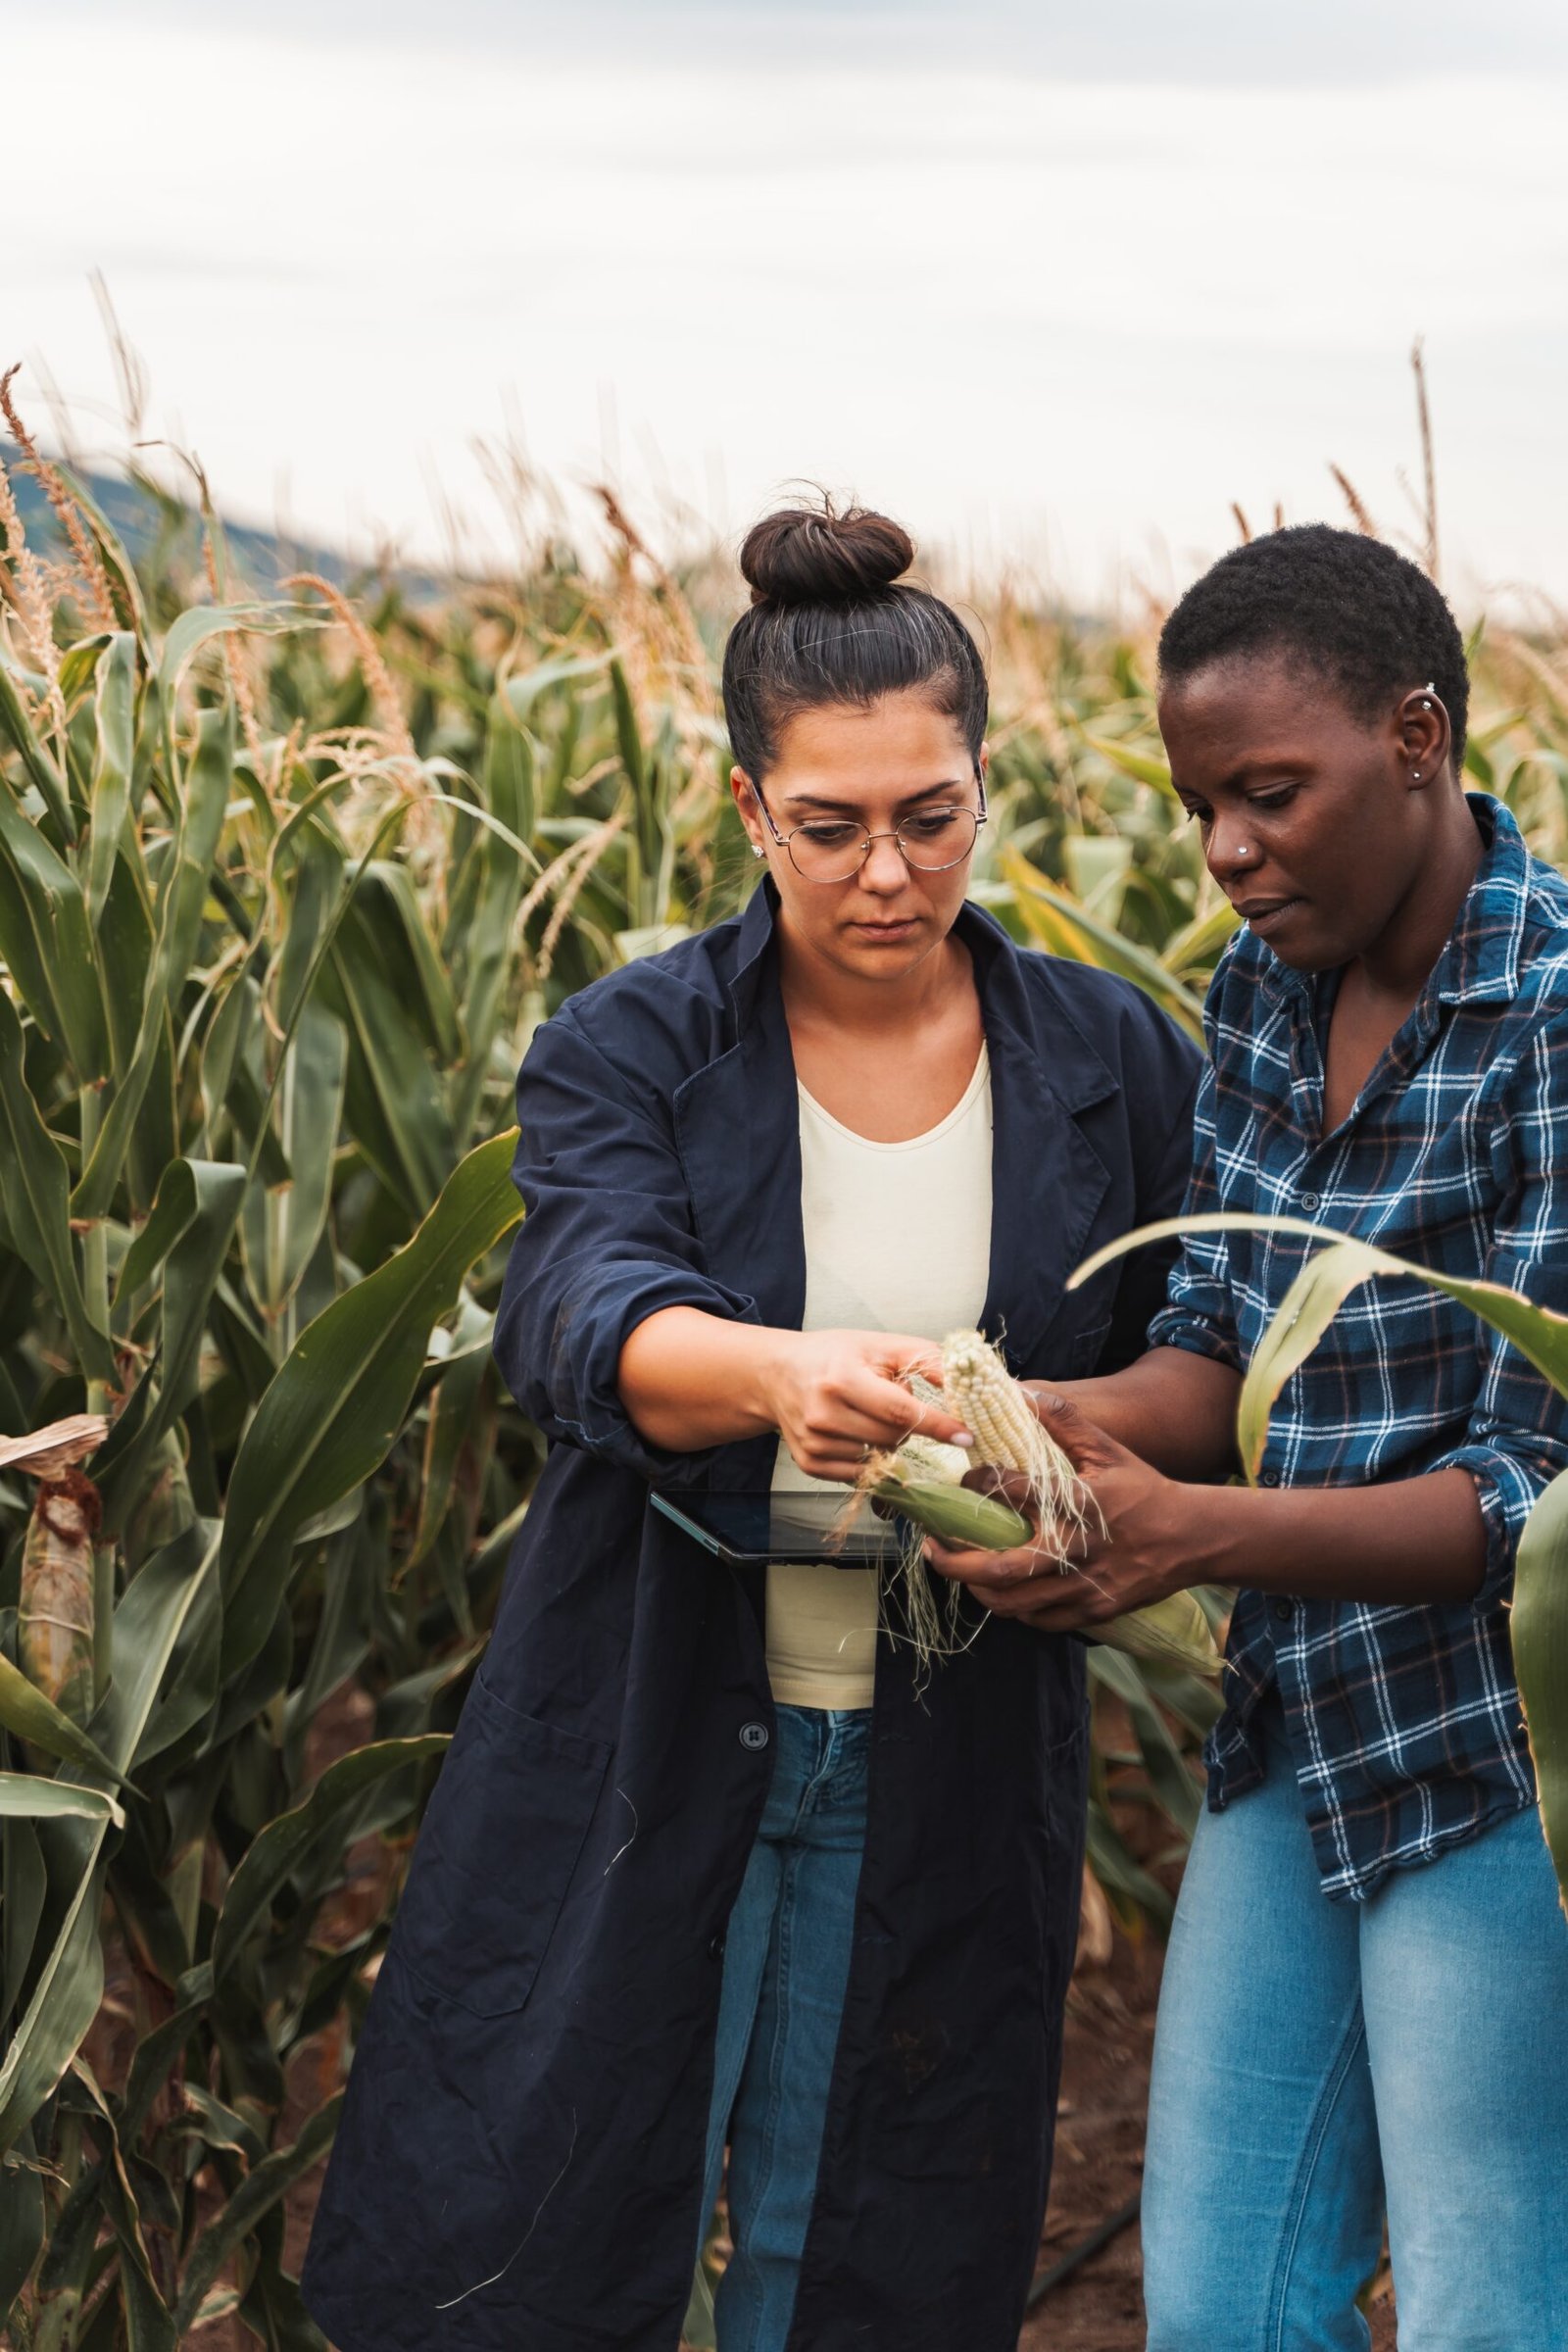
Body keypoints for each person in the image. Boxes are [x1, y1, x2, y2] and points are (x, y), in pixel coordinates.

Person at [302, 500, 1199, 2352]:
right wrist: (784, 1372)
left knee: (872, 2248)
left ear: (984, 786)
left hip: (948, 1751)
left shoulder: (1111, 1058)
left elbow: (1207, 1356)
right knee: (558, 2228)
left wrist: (1048, 1446)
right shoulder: (635, 1041)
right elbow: (576, 1308)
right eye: (832, 826)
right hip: (657, 1720)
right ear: (743, 813)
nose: (889, 871)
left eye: (931, 816)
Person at [926, 524, 1568, 2351]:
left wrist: (1185, 1539)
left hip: (1503, 1754)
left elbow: (1533, 1506)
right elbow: (1219, 1347)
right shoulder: (1267, 998)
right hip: (1302, 1723)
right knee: (1220, 2296)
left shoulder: (1553, 1020)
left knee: (1486, 2306)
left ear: (1420, 735)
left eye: (1271, 794)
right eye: (1203, 803)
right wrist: (1049, 1434)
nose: (1225, 853)